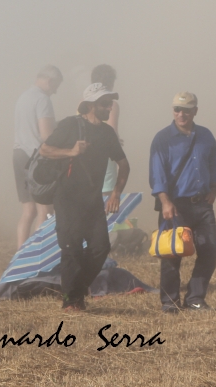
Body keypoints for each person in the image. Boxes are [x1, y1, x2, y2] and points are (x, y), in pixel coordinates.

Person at [39, 83, 130, 311]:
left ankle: (76, 292)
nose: (109, 107)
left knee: (100, 247)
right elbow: (45, 150)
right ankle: (72, 301)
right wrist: (71, 151)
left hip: (93, 201)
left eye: (109, 103)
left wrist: (116, 193)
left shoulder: (107, 133)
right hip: (67, 199)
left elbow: (124, 164)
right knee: (72, 249)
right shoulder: (70, 125)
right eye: (104, 103)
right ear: (90, 105)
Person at [149, 91, 216, 313]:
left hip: (202, 205)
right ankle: (169, 302)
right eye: (177, 110)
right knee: (172, 254)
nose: (181, 114)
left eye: (186, 110)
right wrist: (165, 202)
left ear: (195, 111)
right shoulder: (162, 139)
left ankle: (195, 298)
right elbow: (157, 173)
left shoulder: (206, 135)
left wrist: (215, 188)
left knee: (209, 251)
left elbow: (214, 162)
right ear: (173, 111)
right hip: (175, 205)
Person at [13, 65, 63, 248]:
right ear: (49, 81)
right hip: (35, 159)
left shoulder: (23, 97)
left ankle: (19, 257)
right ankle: (37, 253)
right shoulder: (43, 100)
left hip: (18, 154)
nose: (55, 91)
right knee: (45, 208)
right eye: (56, 86)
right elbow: (46, 135)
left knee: (28, 210)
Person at [91, 64, 122, 197]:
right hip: (105, 157)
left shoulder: (84, 102)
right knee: (107, 199)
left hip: (86, 156)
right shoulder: (112, 104)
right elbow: (111, 131)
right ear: (110, 82)